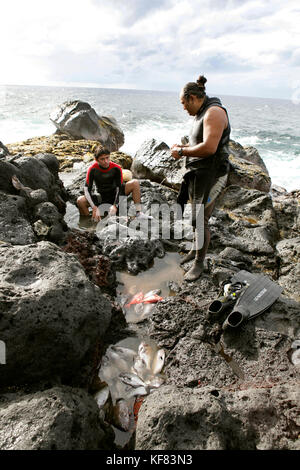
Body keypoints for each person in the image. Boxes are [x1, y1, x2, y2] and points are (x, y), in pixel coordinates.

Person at [171, 75, 231, 282]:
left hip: (213, 175)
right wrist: (182, 148)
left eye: (183, 103)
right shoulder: (201, 113)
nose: (183, 108)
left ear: (193, 98)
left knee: (200, 219)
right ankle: (195, 251)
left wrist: (181, 153)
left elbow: (209, 148)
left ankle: (199, 263)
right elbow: (198, 143)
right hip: (199, 174)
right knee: (195, 217)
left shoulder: (214, 112)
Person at [77, 146, 152, 221]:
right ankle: (89, 221)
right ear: (96, 160)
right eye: (102, 159)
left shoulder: (116, 168)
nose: (106, 161)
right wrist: (94, 207)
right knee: (80, 201)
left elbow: (119, 188)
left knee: (135, 182)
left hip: (116, 195)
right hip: (101, 197)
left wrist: (115, 205)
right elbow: (87, 190)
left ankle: (139, 213)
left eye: (107, 158)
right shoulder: (92, 169)